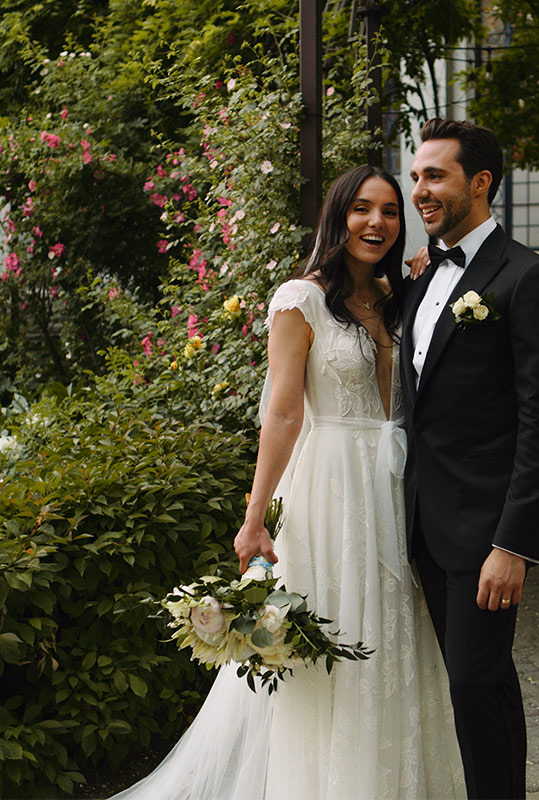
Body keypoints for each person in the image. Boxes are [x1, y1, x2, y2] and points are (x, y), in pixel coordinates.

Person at [111, 165, 465, 800]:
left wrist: (424, 272)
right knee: (334, 631)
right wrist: (255, 518)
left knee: (396, 632)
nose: (377, 222)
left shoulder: (399, 298)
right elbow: (281, 413)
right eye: (362, 209)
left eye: (390, 211)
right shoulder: (300, 300)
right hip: (329, 488)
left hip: (398, 487)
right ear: (338, 216)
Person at [401, 118, 539, 800]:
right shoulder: (421, 279)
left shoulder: (530, 281)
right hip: (423, 522)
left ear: (480, 182)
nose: (420, 190)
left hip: (486, 532)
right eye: (415, 177)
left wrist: (514, 544)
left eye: (434, 176)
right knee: (481, 682)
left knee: (476, 681)